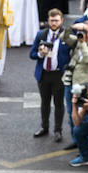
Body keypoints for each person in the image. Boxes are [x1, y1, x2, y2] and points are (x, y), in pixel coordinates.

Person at [31, 9, 71, 141]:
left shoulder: (67, 35)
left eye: (56, 20)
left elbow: (74, 53)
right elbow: (31, 54)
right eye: (51, 20)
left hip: (59, 74)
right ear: (48, 20)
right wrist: (39, 54)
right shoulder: (41, 34)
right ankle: (44, 126)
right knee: (45, 103)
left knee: (59, 103)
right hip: (44, 74)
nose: (54, 23)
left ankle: (58, 130)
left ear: (61, 21)